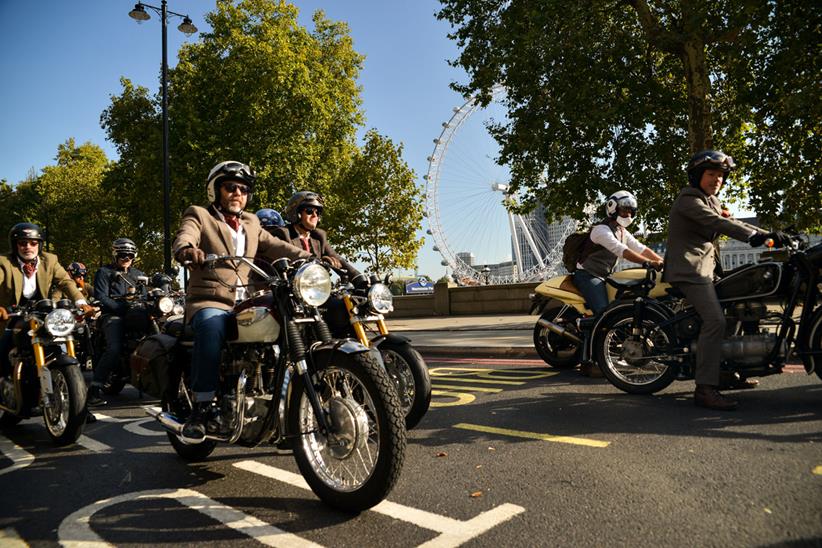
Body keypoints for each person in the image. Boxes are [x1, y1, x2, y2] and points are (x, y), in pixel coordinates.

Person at [173, 161, 312, 440]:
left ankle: (281, 402)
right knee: (211, 327)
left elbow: (277, 246)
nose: (238, 193)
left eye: (244, 189)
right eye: (231, 187)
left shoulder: (252, 222)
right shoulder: (199, 215)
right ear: (216, 190)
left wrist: (311, 259)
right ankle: (201, 407)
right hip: (211, 300)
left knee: (288, 320)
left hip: (245, 302)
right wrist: (187, 250)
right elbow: (185, 236)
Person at [663, 149, 788, 411]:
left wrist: (774, 235)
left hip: (707, 270)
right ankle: (705, 389)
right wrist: (757, 238)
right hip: (690, 270)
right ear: (697, 175)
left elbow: (736, 223)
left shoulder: (712, 201)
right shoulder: (688, 199)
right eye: (711, 174)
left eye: (720, 176)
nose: (716, 180)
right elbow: (719, 224)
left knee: (733, 311)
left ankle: (722, 373)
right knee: (715, 320)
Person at [0, 223, 94, 379]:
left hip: (42, 314)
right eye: (23, 243)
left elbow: (66, 282)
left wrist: (81, 303)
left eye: (33, 243)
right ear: (15, 245)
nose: (28, 247)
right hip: (10, 315)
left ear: (40, 245)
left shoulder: (50, 260)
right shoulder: (4, 262)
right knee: (2, 352)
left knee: (59, 341)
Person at [573, 190, 664, 315]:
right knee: (604, 313)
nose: (627, 214)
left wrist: (663, 262)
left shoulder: (622, 231)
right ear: (613, 209)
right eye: (624, 210)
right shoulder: (601, 230)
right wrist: (649, 262)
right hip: (588, 275)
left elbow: (641, 248)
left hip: (606, 276)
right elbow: (622, 250)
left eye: (630, 211)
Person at [89, 238, 146, 406]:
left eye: (129, 254)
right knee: (114, 348)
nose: (126, 258)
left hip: (135, 314)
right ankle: (93, 390)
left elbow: (144, 295)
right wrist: (120, 308)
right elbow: (101, 296)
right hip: (112, 316)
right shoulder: (104, 272)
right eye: (122, 254)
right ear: (115, 254)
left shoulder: (138, 274)